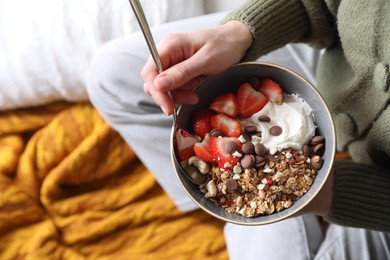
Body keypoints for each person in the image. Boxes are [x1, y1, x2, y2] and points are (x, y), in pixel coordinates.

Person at [87, 1, 390, 259]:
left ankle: (241, 219)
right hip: (335, 61)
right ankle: (207, 201)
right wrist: (238, 33)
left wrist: (334, 196)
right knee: (110, 75)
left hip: (378, 202)